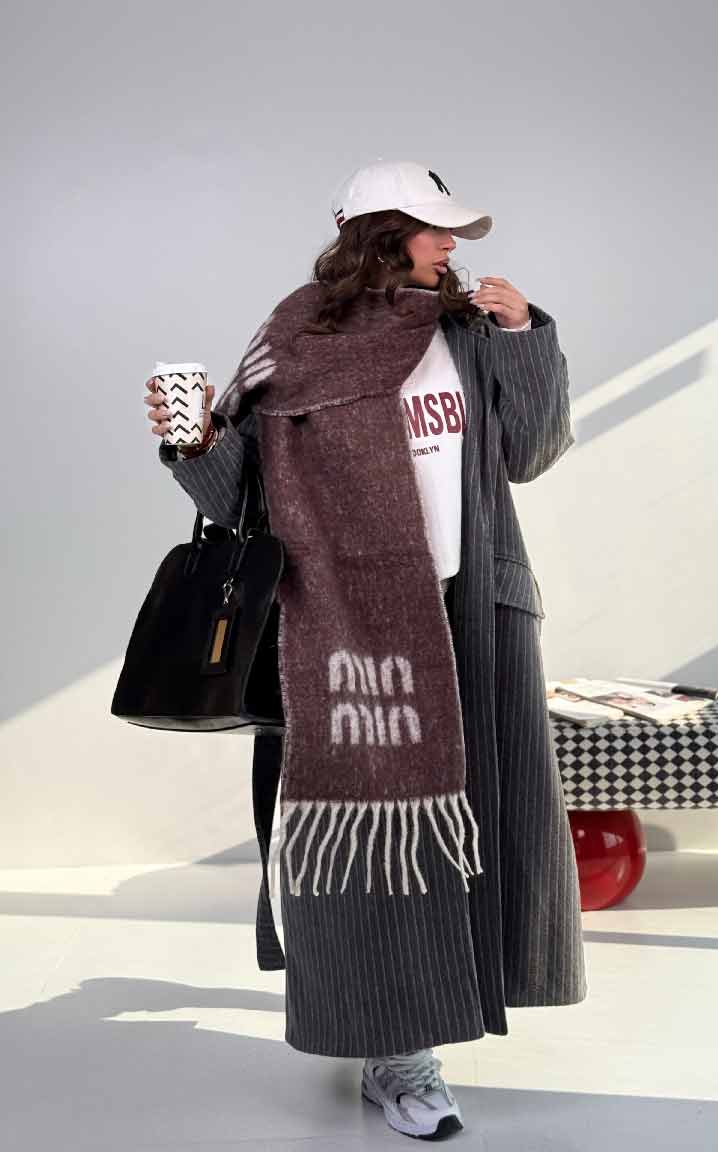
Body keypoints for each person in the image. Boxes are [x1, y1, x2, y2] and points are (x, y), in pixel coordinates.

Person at [143, 159, 587, 1142]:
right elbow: (237, 496)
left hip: (471, 612)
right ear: (379, 234)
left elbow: (530, 451)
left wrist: (527, 337)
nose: (452, 244)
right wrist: (194, 440)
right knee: (381, 848)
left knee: (476, 830)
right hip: (340, 630)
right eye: (434, 228)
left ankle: (441, 1012)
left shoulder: (468, 331)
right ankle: (399, 1054)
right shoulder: (293, 337)